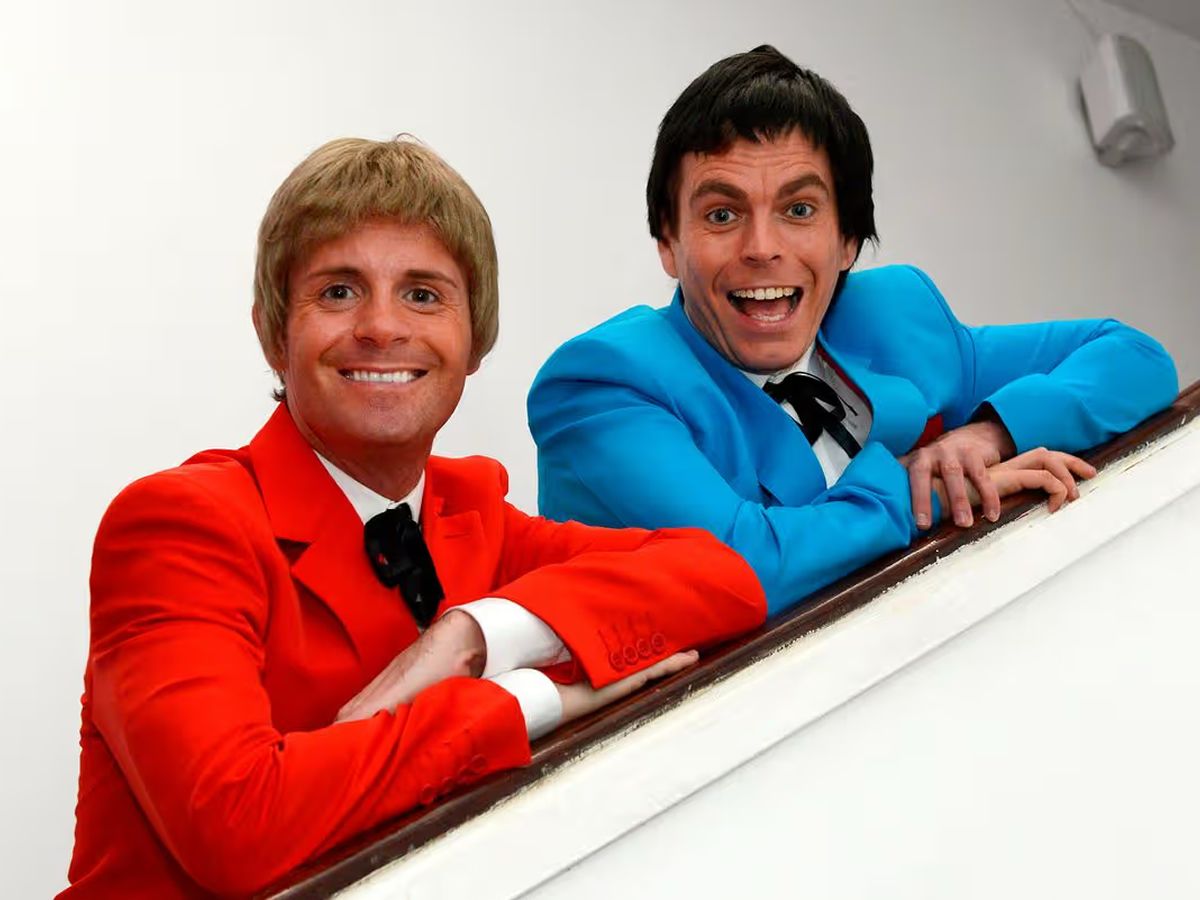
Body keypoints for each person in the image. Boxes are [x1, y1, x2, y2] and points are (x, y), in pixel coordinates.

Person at [60, 137, 767, 898]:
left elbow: (724, 581)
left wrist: (470, 638)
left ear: (475, 340)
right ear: (273, 333)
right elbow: (237, 826)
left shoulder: (470, 513)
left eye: (423, 295)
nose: (382, 327)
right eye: (339, 291)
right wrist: (517, 701)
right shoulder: (178, 526)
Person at [528, 45, 1178, 616]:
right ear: (668, 243)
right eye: (722, 214)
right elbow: (741, 566)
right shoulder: (601, 384)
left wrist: (989, 435)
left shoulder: (896, 314)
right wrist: (919, 486)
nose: (762, 247)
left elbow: (1134, 357)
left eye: (799, 209)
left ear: (846, 241)